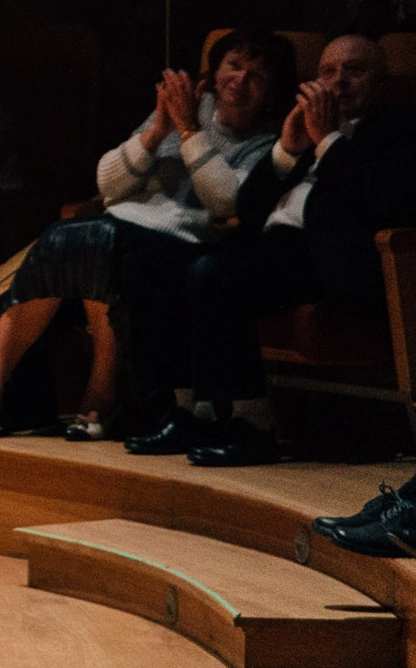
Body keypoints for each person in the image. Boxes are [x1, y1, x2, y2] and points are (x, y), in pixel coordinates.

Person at [0, 30, 292, 443]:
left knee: (99, 249)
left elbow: (225, 201)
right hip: (122, 225)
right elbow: (108, 183)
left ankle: (99, 391)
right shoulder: (187, 108)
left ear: (272, 92)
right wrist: (156, 133)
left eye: (256, 76)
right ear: (215, 71)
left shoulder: (268, 141)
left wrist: (188, 132)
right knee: (60, 240)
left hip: (185, 242)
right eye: (234, 66)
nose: (239, 81)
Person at [165, 35, 416, 467]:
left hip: (336, 260)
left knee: (216, 274)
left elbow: (387, 203)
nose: (338, 82)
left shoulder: (400, 129)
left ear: (382, 83)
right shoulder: (302, 125)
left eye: (354, 71)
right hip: (276, 246)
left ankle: (250, 425)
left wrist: (329, 142)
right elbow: (247, 207)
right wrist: (286, 150)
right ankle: (198, 413)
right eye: (327, 72)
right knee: (184, 263)